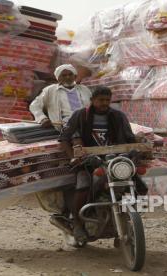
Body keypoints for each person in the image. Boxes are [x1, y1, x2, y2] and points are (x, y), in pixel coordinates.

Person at [59, 86, 137, 242]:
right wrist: (73, 158)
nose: (104, 103)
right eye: (101, 100)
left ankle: (127, 223)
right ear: (92, 100)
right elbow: (64, 138)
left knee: (136, 185)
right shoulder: (80, 115)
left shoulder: (119, 116)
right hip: (87, 162)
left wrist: (135, 152)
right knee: (83, 186)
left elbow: (130, 139)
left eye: (107, 100)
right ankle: (78, 223)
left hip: (114, 162)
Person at [29, 64, 92, 129]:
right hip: (66, 123)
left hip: (87, 121)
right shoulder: (50, 90)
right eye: (64, 75)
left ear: (75, 76)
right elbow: (34, 106)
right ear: (58, 78)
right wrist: (42, 118)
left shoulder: (84, 89)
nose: (68, 77)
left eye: (70, 74)